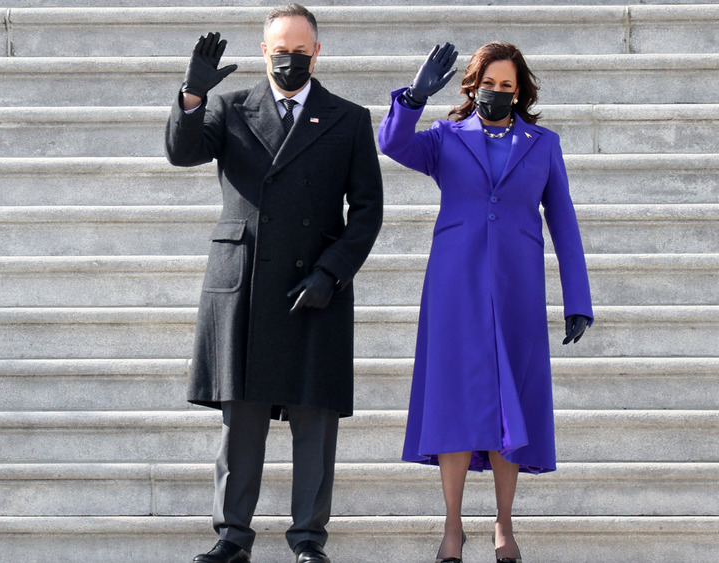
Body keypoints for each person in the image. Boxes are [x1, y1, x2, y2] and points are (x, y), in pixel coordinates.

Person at [164, 4, 383, 563]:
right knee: (243, 420)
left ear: (317, 53)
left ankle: (308, 539)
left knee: (315, 421)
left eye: (300, 51)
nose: (289, 60)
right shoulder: (230, 107)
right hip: (247, 284)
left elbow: (366, 212)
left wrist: (331, 273)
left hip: (315, 285)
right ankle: (232, 536)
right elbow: (182, 152)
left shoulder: (348, 117)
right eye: (280, 50)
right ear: (264, 52)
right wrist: (191, 94)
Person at [378, 42, 593, 563]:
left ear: (519, 93)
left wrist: (577, 297)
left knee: (508, 402)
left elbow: (563, 222)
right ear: (471, 86)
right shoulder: (445, 138)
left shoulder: (542, 143)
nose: (497, 93)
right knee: (454, 400)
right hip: (455, 284)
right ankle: (452, 526)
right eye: (488, 84)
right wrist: (413, 96)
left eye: (507, 87)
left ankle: (503, 523)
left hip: (517, 286)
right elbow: (391, 143)